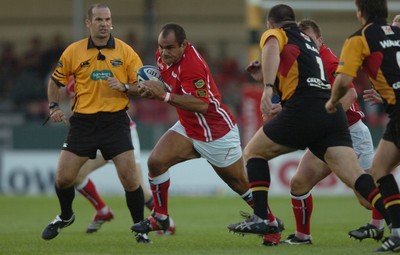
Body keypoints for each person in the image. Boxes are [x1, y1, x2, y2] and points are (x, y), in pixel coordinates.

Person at [227, 4, 389, 248]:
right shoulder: (309, 45)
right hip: (330, 118)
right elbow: (298, 79)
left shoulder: (278, 34)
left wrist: (267, 89)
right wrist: (267, 78)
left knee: (253, 152)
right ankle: (395, 223)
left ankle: (263, 218)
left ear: (272, 25)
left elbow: (271, 48)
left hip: (312, 112)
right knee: (354, 179)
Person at [130, 23, 283, 245]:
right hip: (189, 127)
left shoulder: (193, 65)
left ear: (184, 45)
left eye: (170, 47)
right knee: (156, 162)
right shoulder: (164, 57)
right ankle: (160, 217)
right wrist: (142, 89)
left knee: (240, 185)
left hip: (216, 133)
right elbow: (167, 84)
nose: (164, 52)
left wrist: (163, 96)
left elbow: (201, 104)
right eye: (161, 47)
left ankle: (271, 224)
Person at [40, 3, 150, 243]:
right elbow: (55, 81)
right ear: (88, 23)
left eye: (107, 19)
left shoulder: (125, 51)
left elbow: (144, 87)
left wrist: (125, 87)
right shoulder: (74, 51)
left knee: (131, 180)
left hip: (115, 122)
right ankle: (66, 216)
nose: (104, 24)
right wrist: (54, 106)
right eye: (99, 20)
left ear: (112, 21)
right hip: (83, 124)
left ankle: (139, 229)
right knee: (63, 178)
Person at [280, 19, 388, 245]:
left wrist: (321, 117)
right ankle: (302, 236)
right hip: (325, 134)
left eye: (310, 39)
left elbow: (349, 96)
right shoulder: (303, 63)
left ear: (320, 40)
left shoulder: (329, 61)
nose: (305, 43)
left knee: (367, 198)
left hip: (349, 134)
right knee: (299, 183)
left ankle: (383, 225)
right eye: (302, 39)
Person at [325, 0, 400, 252]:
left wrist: (332, 102)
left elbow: (344, 80)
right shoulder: (397, 33)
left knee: (380, 170)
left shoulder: (359, 39)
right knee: (379, 169)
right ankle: (396, 232)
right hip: (396, 113)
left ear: (360, 12)